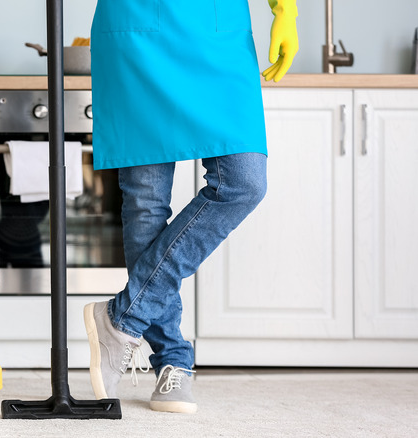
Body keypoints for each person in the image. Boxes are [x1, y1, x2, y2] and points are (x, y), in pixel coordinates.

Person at [83, 0, 299, 414]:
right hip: (137, 27)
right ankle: (172, 361)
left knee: (244, 182)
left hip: (218, 31)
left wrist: (285, 7)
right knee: (146, 205)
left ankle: (123, 318)